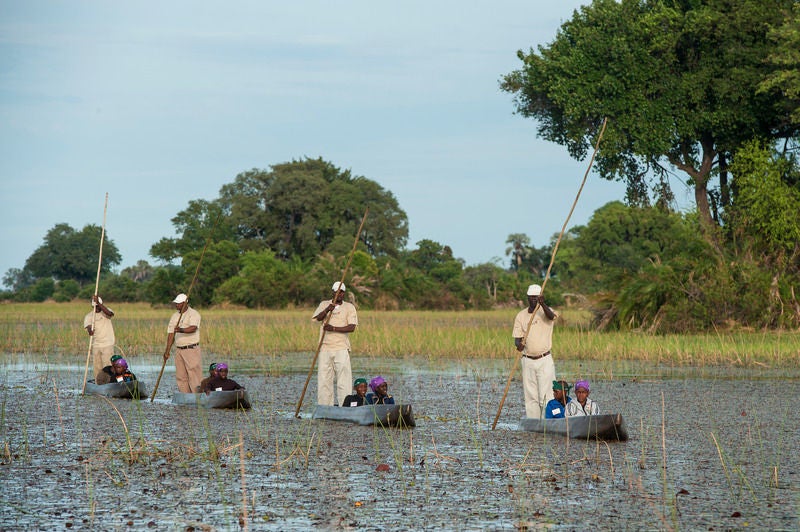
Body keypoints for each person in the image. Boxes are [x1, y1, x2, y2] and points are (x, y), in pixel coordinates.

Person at [512, 284, 558, 419]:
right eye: (531, 298)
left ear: (540, 298)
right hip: (527, 360)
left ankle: (548, 421)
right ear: (527, 298)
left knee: (547, 393)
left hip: (544, 359)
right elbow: (517, 338)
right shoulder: (521, 316)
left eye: (536, 298)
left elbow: (551, 317)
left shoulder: (546, 311)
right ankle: (534, 422)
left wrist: (543, 305)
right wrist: (519, 345)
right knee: (530, 394)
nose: (533, 300)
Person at [312, 281, 358, 406]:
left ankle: (345, 406)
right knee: (324, 379)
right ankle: (325, 406)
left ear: (344, 293)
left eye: (341, 292)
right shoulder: (324, 304)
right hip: (324, 348)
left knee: (344, 380)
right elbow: (318, 318)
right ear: (333, 292)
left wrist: (333, 329)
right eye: (337, 291)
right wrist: (328, 309)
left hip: (341, 348)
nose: (339, 294)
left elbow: (351, 327)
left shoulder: (349, 307)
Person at [164, 293, 203, 393]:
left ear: (185, 303)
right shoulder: (174, 316)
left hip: (191, 349)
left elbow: (193, 328)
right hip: (179, 349)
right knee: (181, 376)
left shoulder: (194, 314)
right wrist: (167, 351)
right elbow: (171, 334)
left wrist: (181, 329)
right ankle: (185, 397)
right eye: (176, 304)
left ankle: (197, 396)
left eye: (178, 303)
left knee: (194, 374)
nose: (176, 305)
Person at [83, 295, 116, 383]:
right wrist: (90, 330)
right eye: (94, 307)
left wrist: (98, 303)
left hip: (107, 343)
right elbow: (88, 328)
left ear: (100, 304)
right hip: (96, 345)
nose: (96, 309)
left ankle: (110, 382)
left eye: (97, 306)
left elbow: (110, 314)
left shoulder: (106, 311)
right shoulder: (89, 316)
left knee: (108, 366)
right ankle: (99, 383)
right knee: (97, 367)